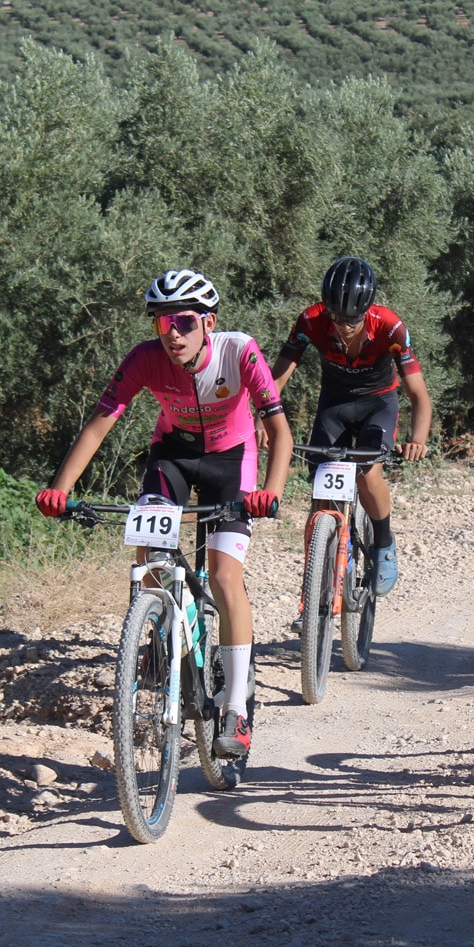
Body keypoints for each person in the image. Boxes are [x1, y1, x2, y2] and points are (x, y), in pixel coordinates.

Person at [36, 270, 294, 759]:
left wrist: (270, 491)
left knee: (223, 574)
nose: (172, 333)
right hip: (171, 453)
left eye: (183, 322)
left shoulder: (239, 352)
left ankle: (236, 707)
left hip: (231, 458)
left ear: (208, 323)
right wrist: (60, 489)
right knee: (151, 555)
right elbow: (99, 425)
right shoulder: (144, 359)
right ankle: (159, 632)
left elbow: (279, 431)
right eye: (161, 324)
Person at [270, 256, 432, 596]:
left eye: (354, 319)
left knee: (367, 472)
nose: (345, 326)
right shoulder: (310, 321)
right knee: (321, 492)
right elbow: (277, 377)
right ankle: (313, 584)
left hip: (379, 403)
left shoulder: (390, 327)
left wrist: (418, 438)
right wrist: (261, 417)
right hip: (335, 404)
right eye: (338, 318)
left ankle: (384, 543)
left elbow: (418, 394)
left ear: (367, 310)